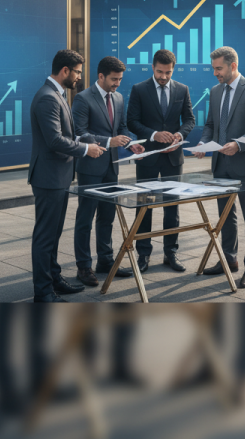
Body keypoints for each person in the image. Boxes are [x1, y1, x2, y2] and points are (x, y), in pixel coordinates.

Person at [28, 49, 105, 303]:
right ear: (65, 71)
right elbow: (53, 140)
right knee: (45, 236)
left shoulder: (57, 95)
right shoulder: (48, 98)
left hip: (58, 176)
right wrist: (85, 149)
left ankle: (54, 279)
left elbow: (65, 134)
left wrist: (87, 140)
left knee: (54, 233)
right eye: (78, 73)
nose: (79, 78)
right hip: (48, 178)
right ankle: (43, 292)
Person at [195, 46, 245, 289]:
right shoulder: (215, 92)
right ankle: (229, 259)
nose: (215, 73)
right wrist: (203, 143)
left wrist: (238, 145)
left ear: (233, 66)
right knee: (226, 216)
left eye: (219, 68)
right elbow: (210, 124)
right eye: (213, 68)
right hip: (220, 163)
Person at [72, 56, 144, 286]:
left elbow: (120, 127)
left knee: (107, 217)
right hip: (90, 167)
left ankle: (105, 260)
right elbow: (80, 133)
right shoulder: (83, 99)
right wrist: (109, 141)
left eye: (120, 79)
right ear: (100, 76)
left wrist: (129, 142)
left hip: (111, 166)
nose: (117, 84)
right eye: (114, 79)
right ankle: (84, 268)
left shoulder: (120, 97)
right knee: (85, 218)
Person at [126, 49, 195, 273]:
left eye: (168, 72)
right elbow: (132, 121)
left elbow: (189, 119)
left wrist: (180, 135)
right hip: (148, 157)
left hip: (173, 158)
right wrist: (155, 135)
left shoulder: (182, 89)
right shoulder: (139, 89)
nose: (163, 77)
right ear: (152, 67)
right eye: (159, 72)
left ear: (173, 69)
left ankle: (170, 253)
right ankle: (143, 254)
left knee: (172, 207)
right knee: (144, 206)